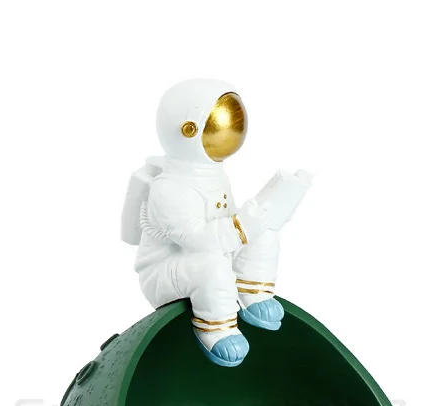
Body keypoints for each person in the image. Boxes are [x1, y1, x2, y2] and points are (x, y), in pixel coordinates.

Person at [122, 78, 310, 367]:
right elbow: (199, 241)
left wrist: (261, 218)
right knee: (212, 265)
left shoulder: (214, 175)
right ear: (189, 130)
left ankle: (252, 290)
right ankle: (216, 327)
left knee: (266, 232)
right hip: (164, 272)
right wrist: (243, 226)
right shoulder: (169, 188)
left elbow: (224, 222)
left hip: (212, 256)